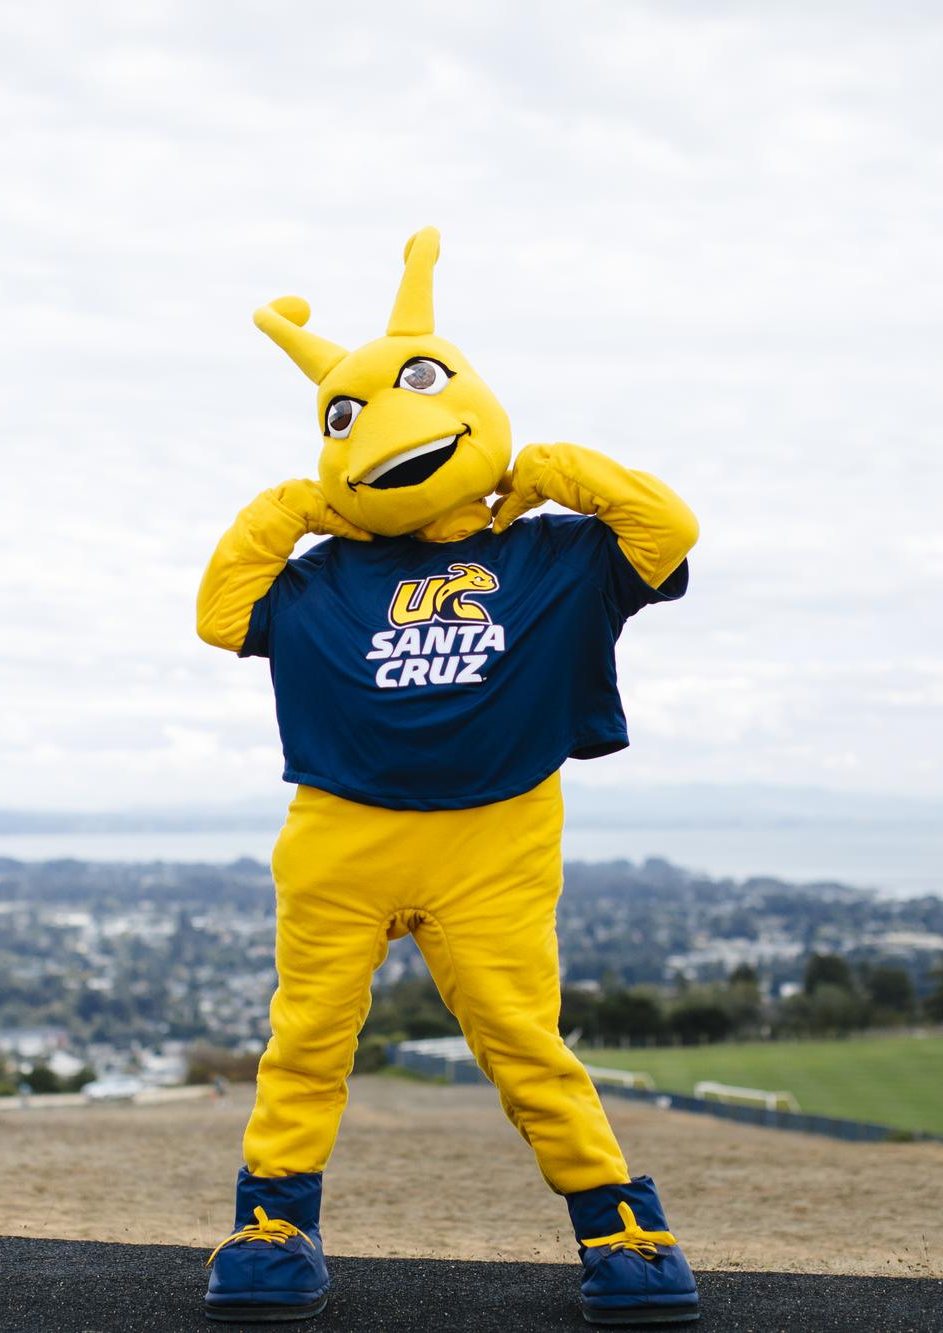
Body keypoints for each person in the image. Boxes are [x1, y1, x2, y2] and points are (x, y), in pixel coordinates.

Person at [195, 228, 699, 1326]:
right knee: (307, 1038)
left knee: (523, 1042)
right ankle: (272, 1224)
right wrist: (293, 508)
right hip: (340, 838)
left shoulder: (552, 554)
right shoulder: (324, 574)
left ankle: (620, 1225)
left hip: (492, 841)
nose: (380, 427)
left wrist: (549, 471)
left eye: (415, 385)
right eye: (344, 417)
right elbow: (221, 613)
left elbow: (666, 531)